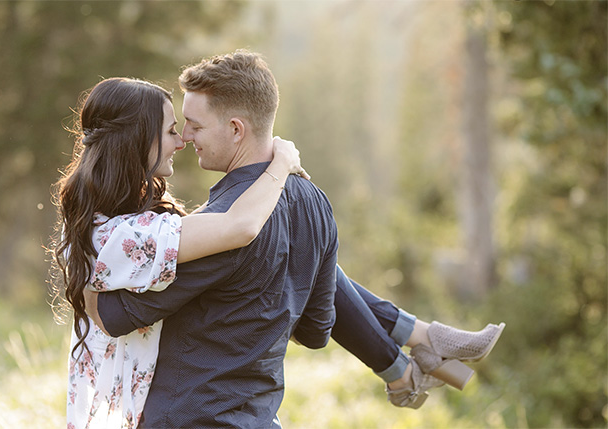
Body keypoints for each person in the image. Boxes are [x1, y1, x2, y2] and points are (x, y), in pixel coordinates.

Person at [83, 51, 505, 424]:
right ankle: (421, 340)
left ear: (235, 129)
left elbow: (118, 316)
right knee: (312, 258)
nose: (185, 137)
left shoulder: (223, 224)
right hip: (258, 419)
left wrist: (81, 264)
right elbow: (317, 328)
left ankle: (412, 352)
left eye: (192, 124)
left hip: (190, 416)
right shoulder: (314, 202)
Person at [51, 77, 310, 428]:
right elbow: (241, 226)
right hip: (147, 414)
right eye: (172, 131)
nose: (182, 141)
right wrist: (281, 162)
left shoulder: (106, 222)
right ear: (139, 140)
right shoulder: (127, 238)